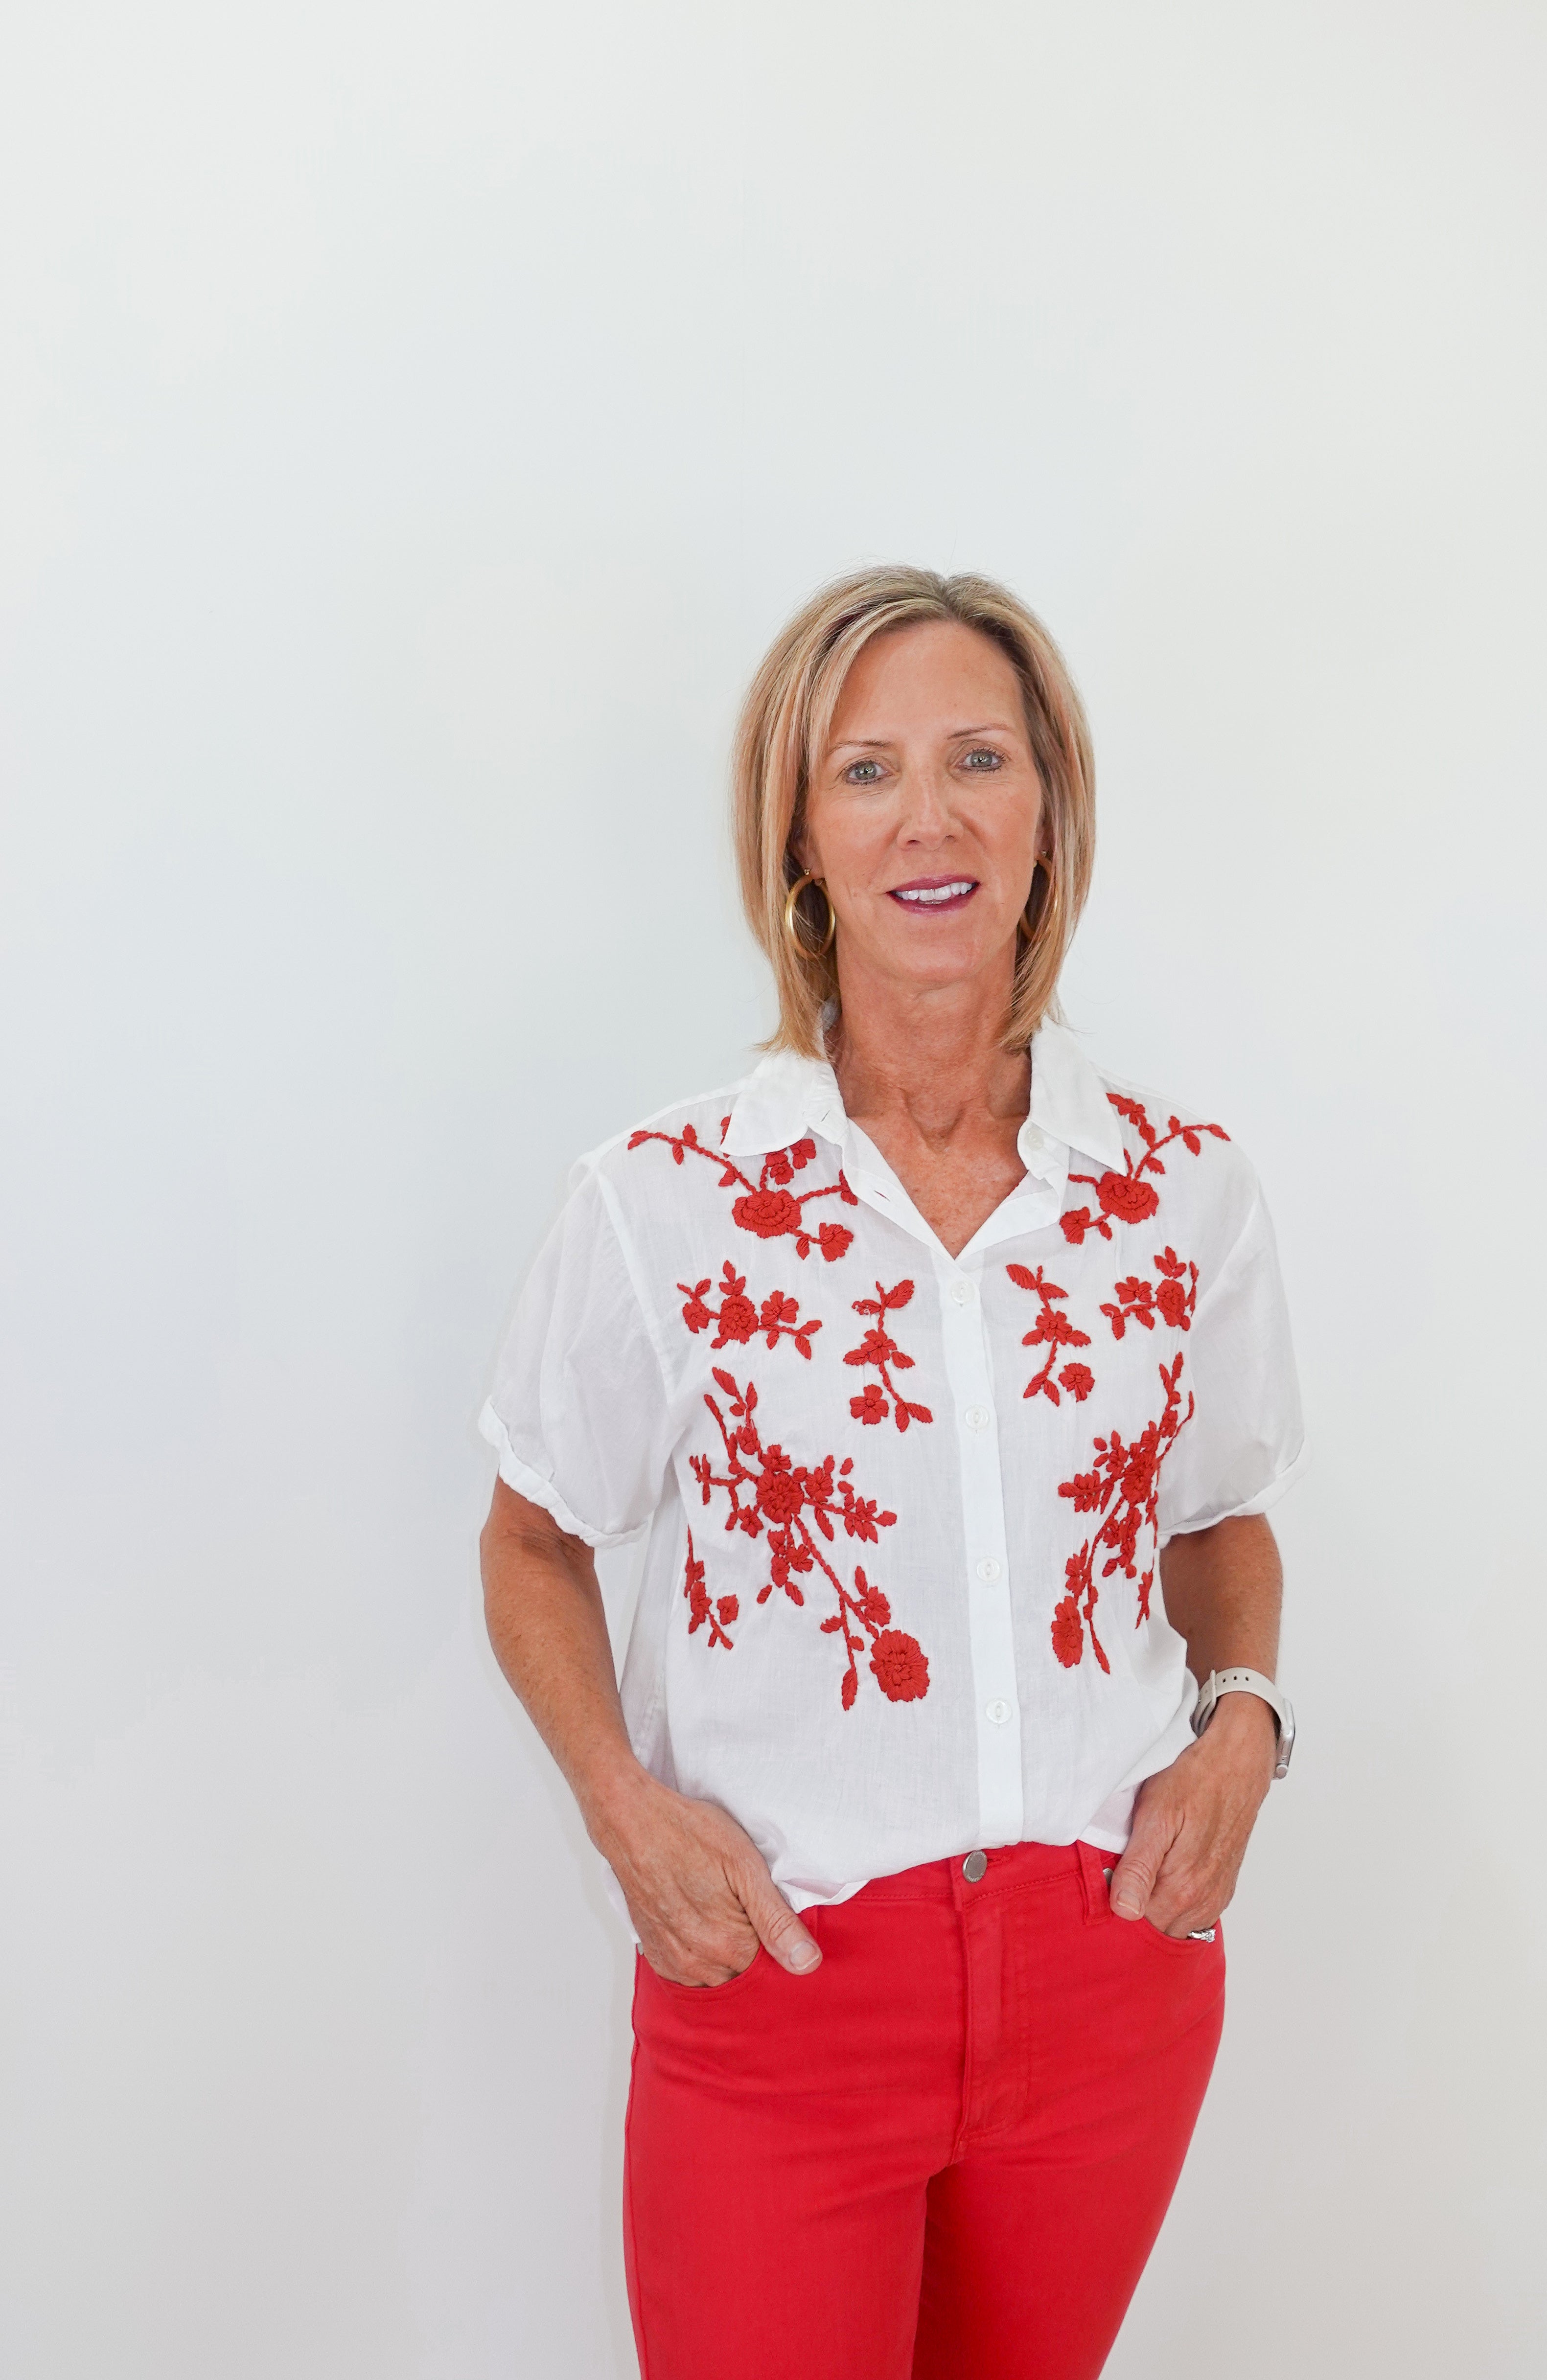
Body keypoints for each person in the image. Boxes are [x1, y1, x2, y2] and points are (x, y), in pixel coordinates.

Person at [477, 566, 1306, 2380]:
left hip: (1112, 1976)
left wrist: (1244, 1721)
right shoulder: (664, 1199)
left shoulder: (1182, 1189)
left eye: (978, 759)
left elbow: (1219, 1512)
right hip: (777, 1978)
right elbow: (535, 1538)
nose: (927, 817)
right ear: (799, 830)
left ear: (1046, 811)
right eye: (866, 771)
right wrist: (621, 1803)